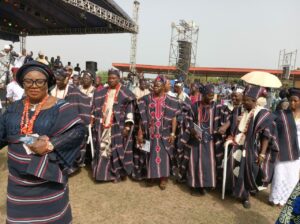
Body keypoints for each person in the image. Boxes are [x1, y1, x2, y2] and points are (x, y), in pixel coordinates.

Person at [0, 61, 86, 223]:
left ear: (48, 83)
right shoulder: (13, 109)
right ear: (22, 84)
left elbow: (79, 131)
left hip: (48, 185)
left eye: (39, 81)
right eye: (28, 81)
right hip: (18, 186)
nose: (33, 85)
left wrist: (50, 144)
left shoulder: (61, 107)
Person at [223, 84, 279, 208]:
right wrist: (236, 122)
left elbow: (267, 135)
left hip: (253, 148)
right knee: (233, 167)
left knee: (248, 172)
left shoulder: (263, 114)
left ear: (254, 101)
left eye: (246, 100)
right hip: (238, 144)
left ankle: (245, 197)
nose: (243, 102)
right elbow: (233, 126)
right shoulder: (241, 111)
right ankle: (234, 191)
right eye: (243, 99)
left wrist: (262, 153)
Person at [133, 75, 180, 189]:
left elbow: (174, 117)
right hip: (150, 133)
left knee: (164, 156)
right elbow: (141, 116)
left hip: (164, 133)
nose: (155, 87)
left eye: (158, 85)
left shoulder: (170, 100)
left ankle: (163, 178)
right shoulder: (147, 99)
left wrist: (173, 133)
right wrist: (140, 131)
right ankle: (151, 177)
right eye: (154, 85)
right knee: (148, 153)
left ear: (164, 87)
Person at [92, 69, 135, 182]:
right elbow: (96, 107)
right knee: (103, 150)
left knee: (115, 151)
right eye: (109, 78)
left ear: (118, 79)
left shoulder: (125, 93)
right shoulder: (102, 92)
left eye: (113, 78)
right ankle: (102, 174)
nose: (111, 80)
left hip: (118, 127)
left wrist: (127, 126)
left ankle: (116, 174)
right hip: (104, 126)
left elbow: (130, 111)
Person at [187, 84, 229, 195]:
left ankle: (205, 185)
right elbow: (188, 121)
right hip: (197, 140)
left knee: (208, 163)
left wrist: (225, 126)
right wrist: (192, 131)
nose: (211, 98)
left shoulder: (218, 107)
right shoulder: (195, 106)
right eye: (209, 95)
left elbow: (231, 116)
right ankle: (195, 185)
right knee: (195, 162)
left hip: (211, 141)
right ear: (203, 95)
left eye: (212, 95)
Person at [50, 68, 91, 170]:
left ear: (66, 79)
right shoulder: (51, 91)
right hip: (54, 124)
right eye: (55, 79)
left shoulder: (74, 91)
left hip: (69, 125)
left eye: (59, 79)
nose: (57, 82)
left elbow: (84, 103)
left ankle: (70, 166)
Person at [269, 88, 300, 207]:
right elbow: (267, 119)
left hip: (297, 149)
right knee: (280, 172)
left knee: (292, 175)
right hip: (283, 147)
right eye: (291, 100)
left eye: (295, 101)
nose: (292, 103)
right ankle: (275, 198)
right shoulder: (281, 114)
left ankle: (286, 198)